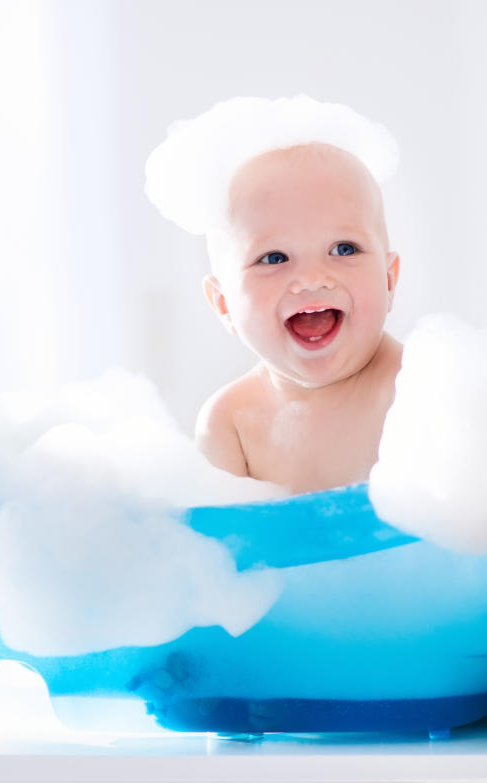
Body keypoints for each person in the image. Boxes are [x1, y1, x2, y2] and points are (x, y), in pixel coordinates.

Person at [145, 96, 403, 493]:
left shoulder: (419, 387)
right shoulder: (230, 425)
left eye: (344, 249)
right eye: (274, 257)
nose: (313, 278)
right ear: (224, 305)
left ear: (389, 280)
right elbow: (224, 552)